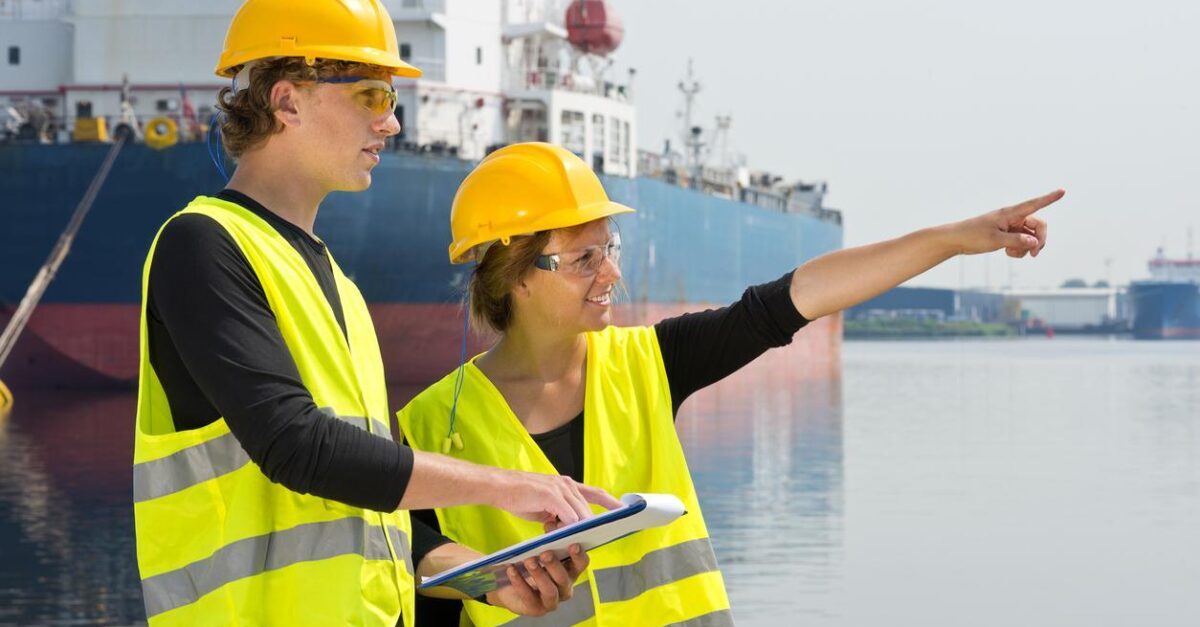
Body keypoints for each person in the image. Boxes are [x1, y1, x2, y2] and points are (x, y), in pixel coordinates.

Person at [398, 142, 1060, 626]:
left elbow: (792, 299)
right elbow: (404, 565)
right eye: (584, 258)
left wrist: (954, 238)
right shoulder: (426, 429)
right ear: (515, 273)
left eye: (611, 248)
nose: (612, 275)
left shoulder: (650, 362)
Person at [131, 4, 618, 626]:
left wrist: (487, 578)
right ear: (287, 101)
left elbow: (371, 515)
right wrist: (513, 485)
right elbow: (297, 447)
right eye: (371, 95)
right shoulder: (203, 244)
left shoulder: (341, 289)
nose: (390, 123)